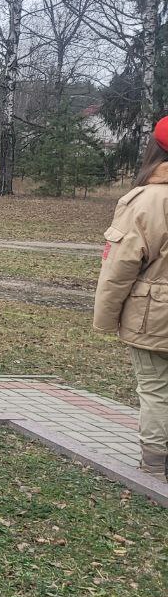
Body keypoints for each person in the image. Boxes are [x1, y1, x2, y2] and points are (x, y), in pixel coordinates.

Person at [94, 116, 168, 482]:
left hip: (156, 313)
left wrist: (105, 319)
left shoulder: (145, 200)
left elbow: (120, 267)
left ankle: (155, 464)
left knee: (154, 388)